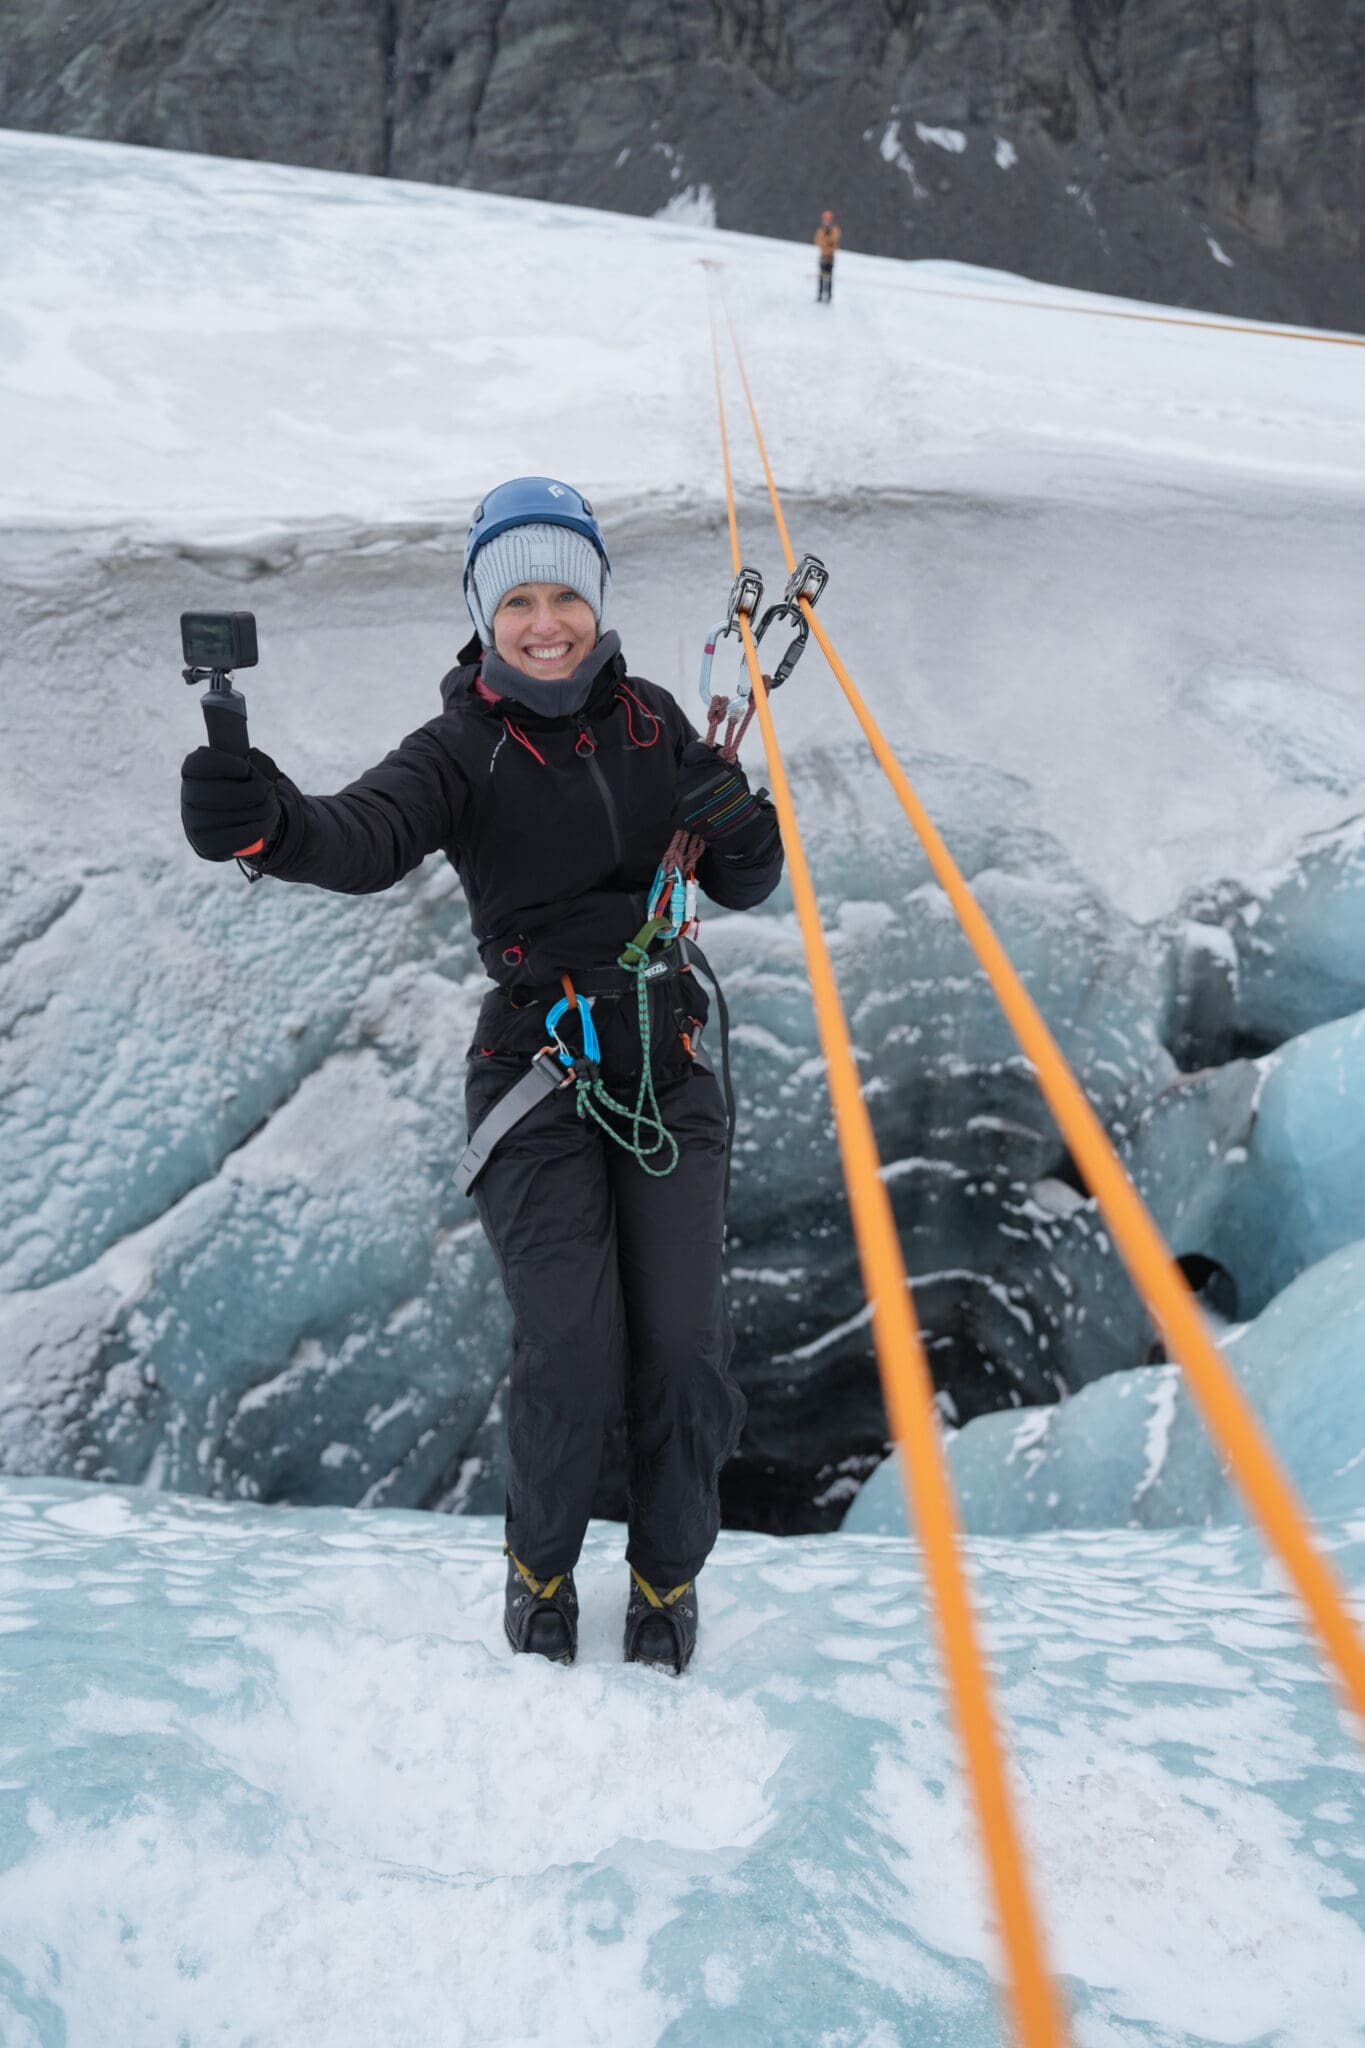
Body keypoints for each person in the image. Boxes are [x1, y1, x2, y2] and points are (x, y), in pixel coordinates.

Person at [179, 477, 784, 1674]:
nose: (545, 622)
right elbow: (359, 835)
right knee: (574, 1347)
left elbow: (742, 878)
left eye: (564, 595)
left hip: (665, 1061)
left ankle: (666, 1576)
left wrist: (741, 821)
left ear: (595, 600)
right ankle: (541, 1570)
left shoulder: (656, 721)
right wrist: (265, 825)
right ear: (483, 615)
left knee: (683, 1351)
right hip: (539, 1070)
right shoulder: (459, 750)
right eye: (518, 601)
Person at [814, 209, 841, 303]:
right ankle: (820, 294)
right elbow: (818, 242)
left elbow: (834, 242)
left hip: (830, 257)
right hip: (823, 256)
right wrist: (827, 242)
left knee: (829, 277)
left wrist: (828, 240)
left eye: (828, 220)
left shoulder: (835, 230)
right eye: (825, 220)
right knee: (821, 277)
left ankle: (829, 296)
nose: (827, 222)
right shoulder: (821, 230)